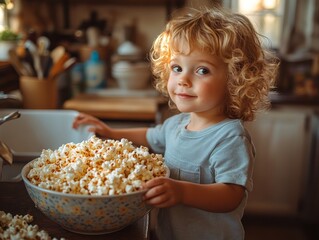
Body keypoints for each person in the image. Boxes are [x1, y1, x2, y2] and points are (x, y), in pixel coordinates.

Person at [73, 6, 278, 240]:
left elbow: (231, 194)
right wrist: (110, 131)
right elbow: (150, 136)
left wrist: (182, 192)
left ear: (235, 78)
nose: (183, 80)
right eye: (177, 68)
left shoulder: (230, 137)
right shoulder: (177, 125)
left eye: (202, 70)